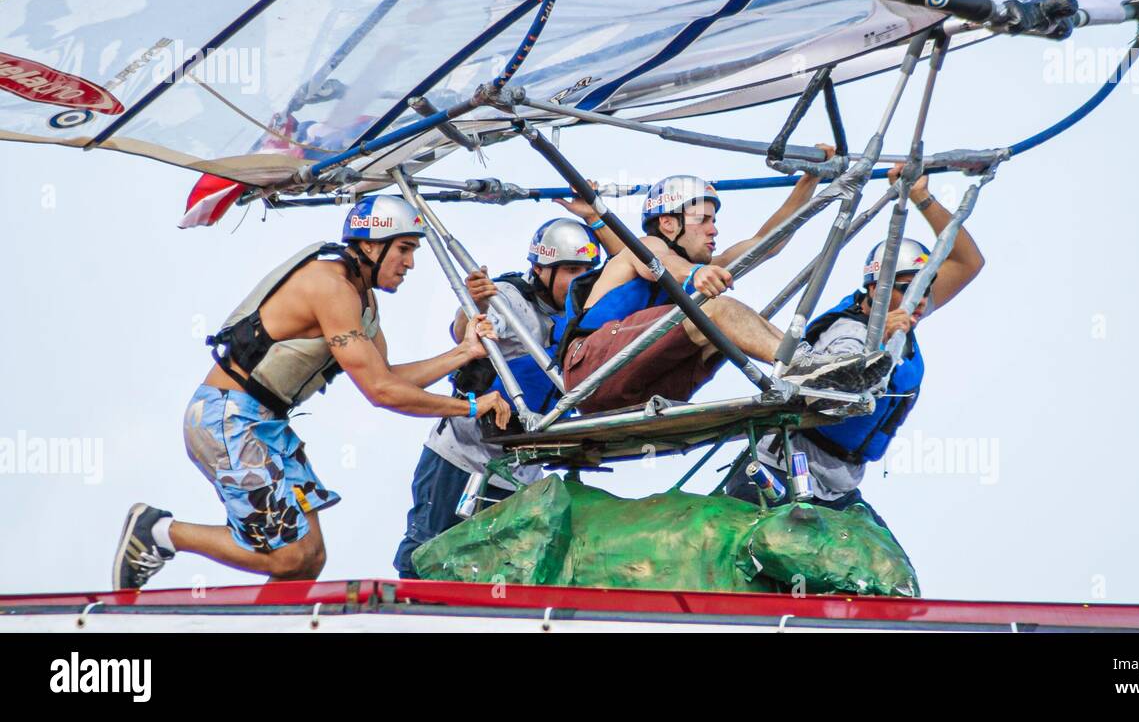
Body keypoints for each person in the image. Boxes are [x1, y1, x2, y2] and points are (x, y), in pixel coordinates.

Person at [111, 195, 512, 591]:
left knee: (308, 559)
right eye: (404, 249)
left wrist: (464, 352)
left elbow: (389, 376)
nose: (409, 264)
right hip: (228, 417)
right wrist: (471, 406)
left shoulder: (361, 297)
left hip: (262, 423)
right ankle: (160, 532)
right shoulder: (331, 287)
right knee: (288, 554)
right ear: (372, 245)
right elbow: (380, 392)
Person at [723, 166, 985, 545]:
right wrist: (876, 352)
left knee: (883, 575)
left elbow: (967, 263)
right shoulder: (851, 334)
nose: (923, 300)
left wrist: (922, 198)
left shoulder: (906, 311)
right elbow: (833, 385)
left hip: (837, 488)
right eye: (912, 289)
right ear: (878, 292)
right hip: (782, 474)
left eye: (927, 288)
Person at [558, 155, 891, 415]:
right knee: (713, 309)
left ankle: (814, 374)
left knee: (724, 328)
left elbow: (768, 242)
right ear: (669, 223)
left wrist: (810, 179)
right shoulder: (641, 250)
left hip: (642, 388)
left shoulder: (701, 269)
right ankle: (802, 366)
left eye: (714, 221)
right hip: (591, 373)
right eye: (703, 220)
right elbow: (660, 263)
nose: (713, 230)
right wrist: (692, 275)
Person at [393, 206, 622, 577]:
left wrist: (596, 214)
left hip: (519, 470)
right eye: (570, 271)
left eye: (585, 273)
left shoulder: (583, 315)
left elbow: (630, 262)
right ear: (541, 270)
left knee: (494, 571)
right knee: (426, 554)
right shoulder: (512, 299)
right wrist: (476, 303)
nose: (579, 280)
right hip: (462, 457)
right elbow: (465, 330)